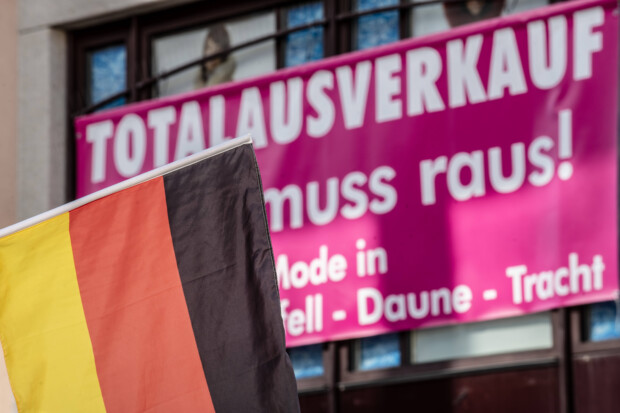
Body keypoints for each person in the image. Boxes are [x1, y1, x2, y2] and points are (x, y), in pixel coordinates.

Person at [195, 24, 236, 89]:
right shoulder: (201, 77)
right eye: (209, 47)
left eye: (216, 50)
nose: (210, 54)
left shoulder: (229, 85)